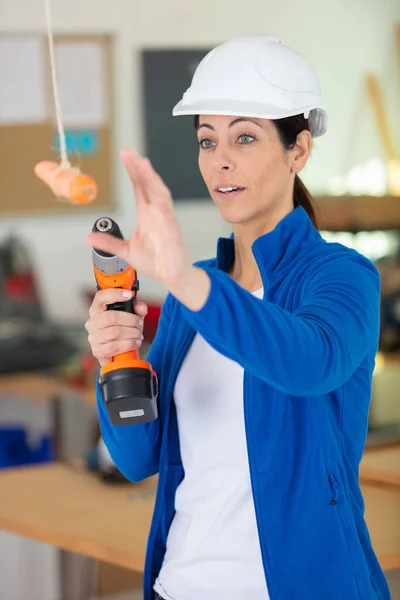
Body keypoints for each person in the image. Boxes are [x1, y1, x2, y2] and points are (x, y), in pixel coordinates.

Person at [85, 34, 391, 600]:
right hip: (181, 586)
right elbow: (136, 459)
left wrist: (186, 280)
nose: (219, 160)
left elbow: (306, 361)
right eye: (207, 140)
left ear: (297, 149)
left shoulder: (341, 277)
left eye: (245, 137)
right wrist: (115, 360)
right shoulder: (192, 293)